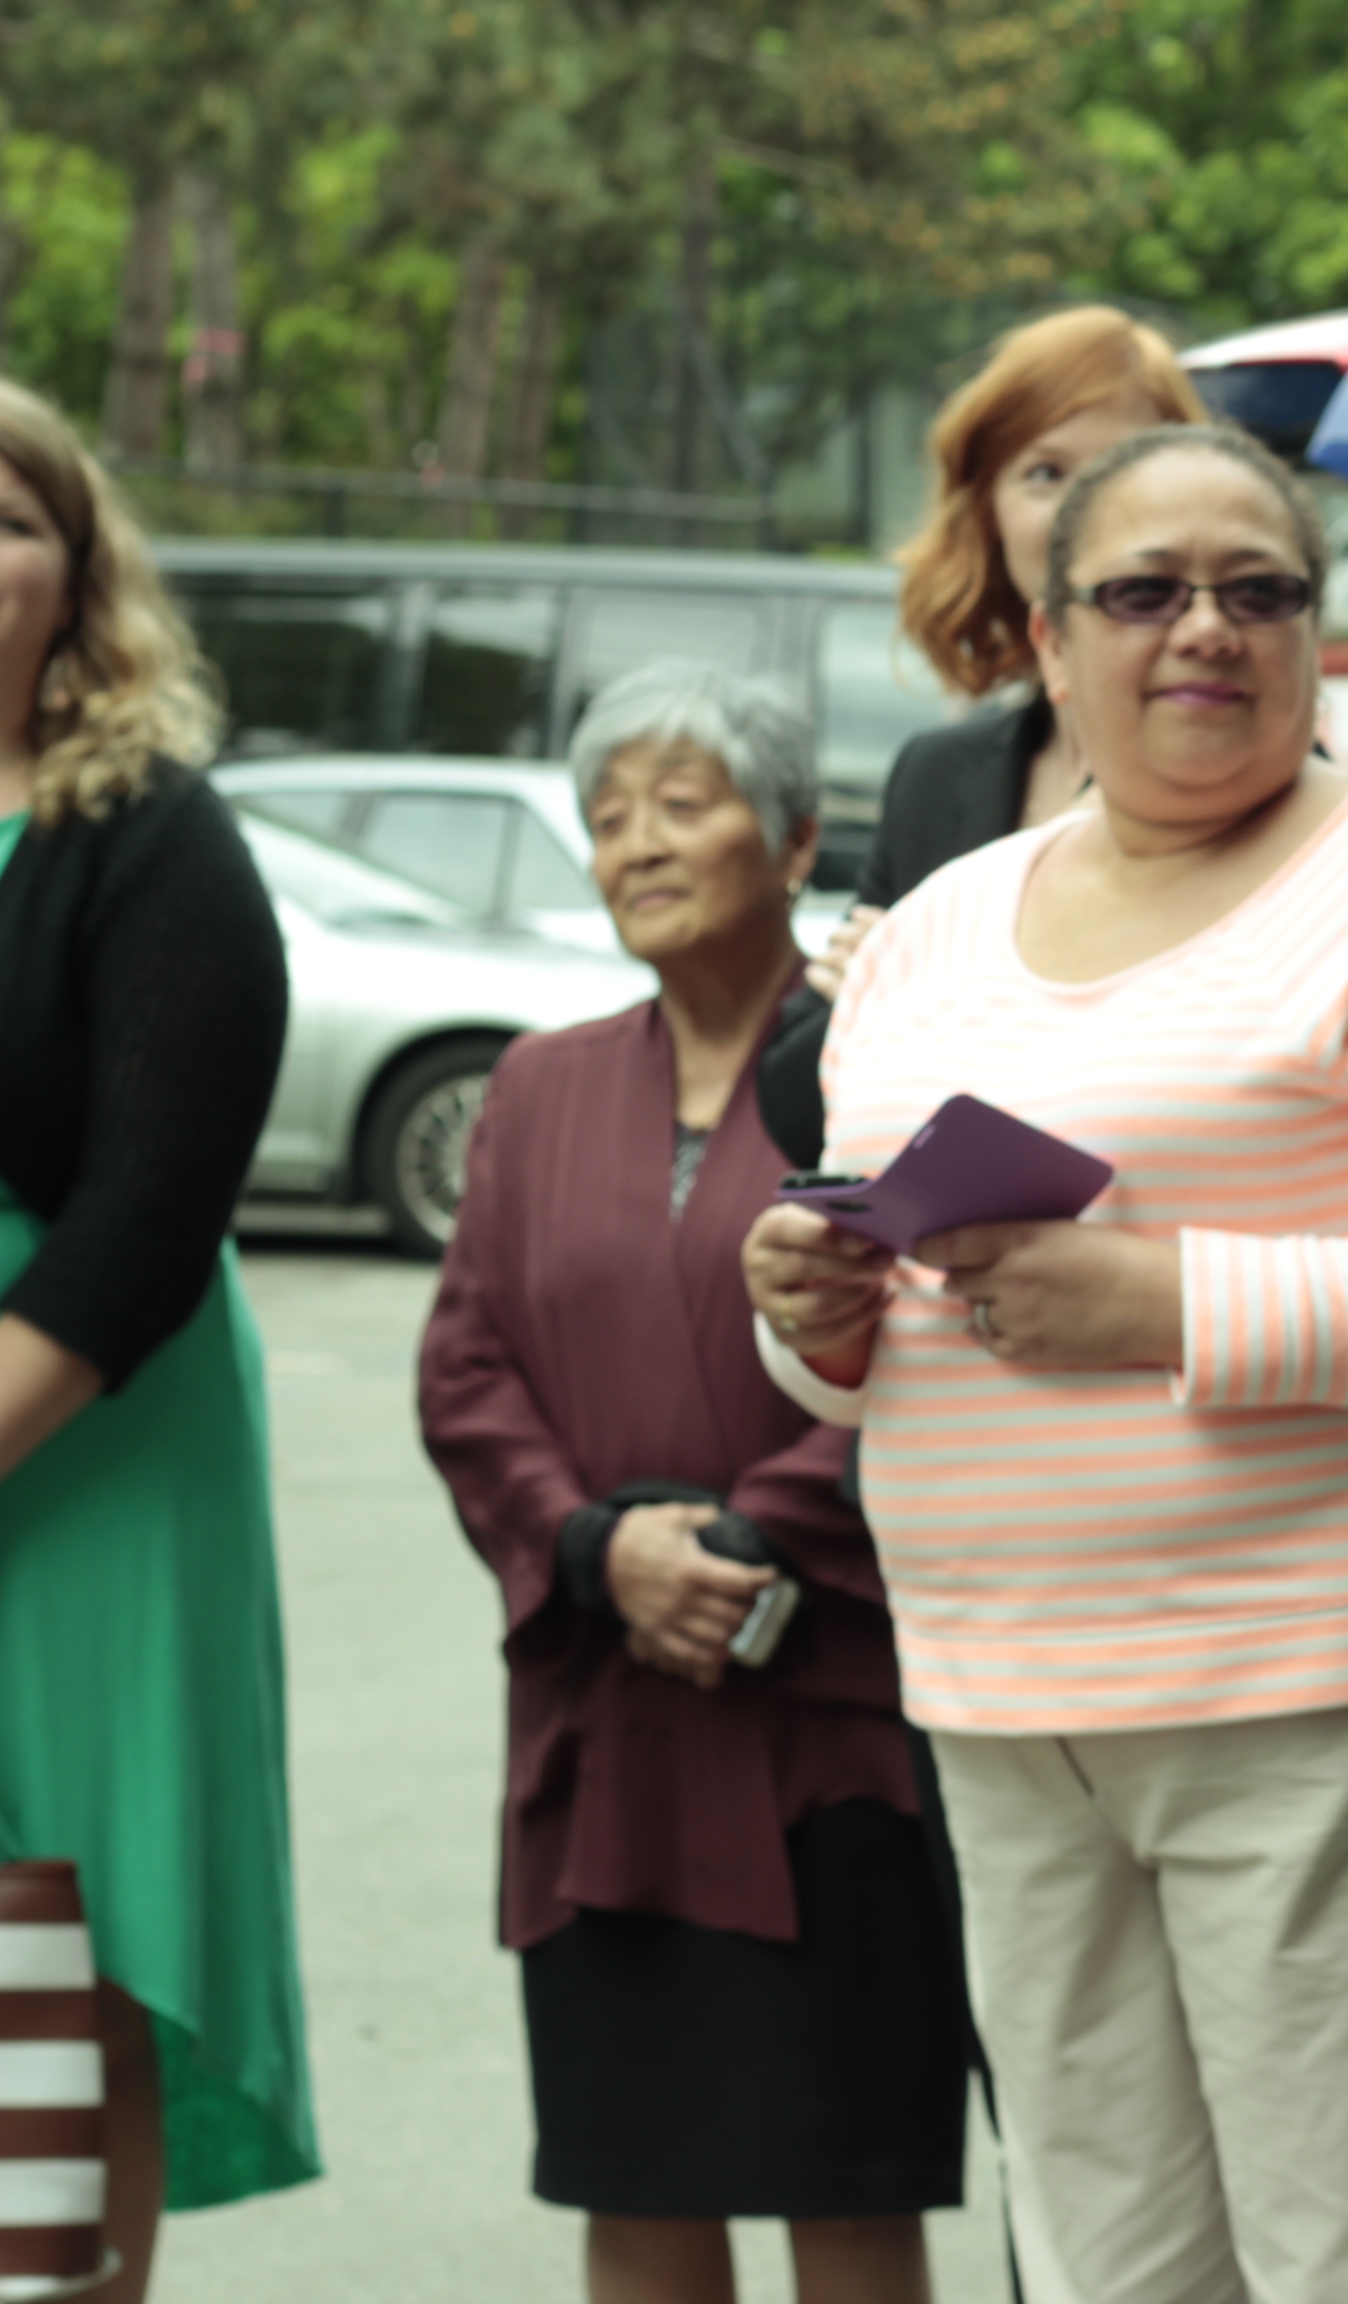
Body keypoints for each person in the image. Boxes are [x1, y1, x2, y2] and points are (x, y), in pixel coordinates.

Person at [740, 421, 1348, 2304]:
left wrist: (1166, 1300)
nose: (1205, 629)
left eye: (1260, 589)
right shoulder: (929, 931)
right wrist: (811, 1321)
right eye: (1145, 590)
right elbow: (899, 1319)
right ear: (1049, 641)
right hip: (1011, 1707)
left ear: (1317, 638)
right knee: (1107, 2269)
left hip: (1347, 1700)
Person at [418, 662, 970, 2304]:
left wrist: (741, 1541)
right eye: (605, 815)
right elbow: (466, 1365)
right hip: (607, 1711)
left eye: (683, 799)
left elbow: (937, 1343)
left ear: (795, 836)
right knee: (632, 2175)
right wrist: (598, 1548)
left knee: (842, 2182)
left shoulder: (882, 1060)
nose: (635, 843)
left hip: (827, 1701)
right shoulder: (537, 1081)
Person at [0, 376, 315, 2300]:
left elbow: (149, 1207)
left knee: (73, 1905)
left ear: (78, 573)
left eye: (14, 517)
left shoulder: (154, 830)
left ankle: (77, 2280)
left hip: (93, 1419)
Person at [757, 304, 1204, 1170]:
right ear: (989, 515)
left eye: (1123, 468)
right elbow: (794, 1103)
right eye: (1045, 472)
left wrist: (913, 999)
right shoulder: (939, 777)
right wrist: (873, 1002)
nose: (1087, 505)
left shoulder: (1256, 782)